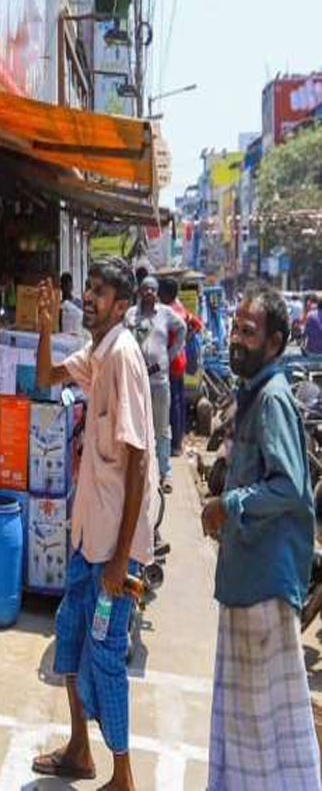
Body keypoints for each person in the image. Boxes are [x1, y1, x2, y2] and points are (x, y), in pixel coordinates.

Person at [32, 259, 158, 791]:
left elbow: (137, 462)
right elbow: (46, 377)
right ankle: (80, 750)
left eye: (100, 293)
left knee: (105, 656)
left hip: (115, 551)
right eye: (88, 289)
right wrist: (43, 328)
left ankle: (123, 775)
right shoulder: (98, 354)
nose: (88, 298)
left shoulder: (124, 357)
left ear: (122, 306)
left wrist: (118, 558)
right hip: (89, 538)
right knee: (68, 633)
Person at [200, 283, 321, 790]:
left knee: (267, 722)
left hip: (264, 585)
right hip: (247, 578)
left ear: (275, 343)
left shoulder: (271, 398)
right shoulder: (253, 395)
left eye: (248, 333)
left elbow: (290, 488)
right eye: (235, 328)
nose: (235, 340)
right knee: (247, 719)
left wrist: (228, 505)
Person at [125, 276, 186, 494]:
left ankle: (165, 473)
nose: (149, 292)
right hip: (136, 381)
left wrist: (170, 355)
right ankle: (139, 473)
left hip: (159, 381)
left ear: (157, 292)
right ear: (139, 292)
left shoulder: (166, 313)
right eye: (145, 289)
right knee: (136, 428)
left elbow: (182, 329)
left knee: (162, 428)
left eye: (153, 289)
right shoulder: (131, 315)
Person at [158, 277, 201, 457]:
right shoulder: (180, 308)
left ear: (167, 294)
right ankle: (178, 442)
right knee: (178, 402)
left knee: (172, 403)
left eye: (160, 292)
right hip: (179, 361)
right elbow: (197, 324)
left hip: (171, 361)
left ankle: (175, 444)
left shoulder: (170, 312)